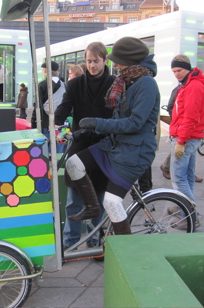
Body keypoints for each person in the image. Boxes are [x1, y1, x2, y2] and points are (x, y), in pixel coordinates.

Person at [64, 37, 160, 236]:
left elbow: (135, 123)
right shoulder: (125, 80)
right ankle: (92, 208)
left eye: (117, 59)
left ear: (130, 60)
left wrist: (97, 123)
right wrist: (88, 130)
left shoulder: (147, 84)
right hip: (115, 144)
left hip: (135, 152)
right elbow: (117, 117)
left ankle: (124, 247)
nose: (114, 63)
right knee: (73, 164)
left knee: (112, 201)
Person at [55, 42, 115, 249]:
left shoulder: (115, 83)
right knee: (74, 198)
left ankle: (94, 240)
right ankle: (69, 242)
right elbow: (62, 110)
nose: (92, 66)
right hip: (80, 146)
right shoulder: (75, 84)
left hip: (104, 147)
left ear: (105, 60)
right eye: (89, 61)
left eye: (96, 61)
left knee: (98, 199)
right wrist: (58, 129)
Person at [168, 54, 204, 220]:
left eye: (179, 70)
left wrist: (181, 141)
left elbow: (190, 117)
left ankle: (191, 216)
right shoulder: (191, 84)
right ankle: (183, 208)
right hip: (191, 137)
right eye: (174, 71)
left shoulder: (192, 86)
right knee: (188, 177)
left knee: (179, 179)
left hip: (186, 138)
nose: (176, 74)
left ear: (188, 68)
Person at [160, 83, 203, 183]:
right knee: (179, 148)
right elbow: (171, 106)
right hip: (181, 126)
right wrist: (176, 119)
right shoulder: (180, 89)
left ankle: (188, 173)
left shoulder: (194, 88)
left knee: (183, 150)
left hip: (190, 128)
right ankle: (168, 168)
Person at [32, 61, 66, 153]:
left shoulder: (42, 85)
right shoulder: (64, 85)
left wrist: (33, 124)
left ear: (46, 71)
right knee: (59, 148)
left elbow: (38, 106)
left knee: (44, 151)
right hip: (61, 125)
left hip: (45, 124)